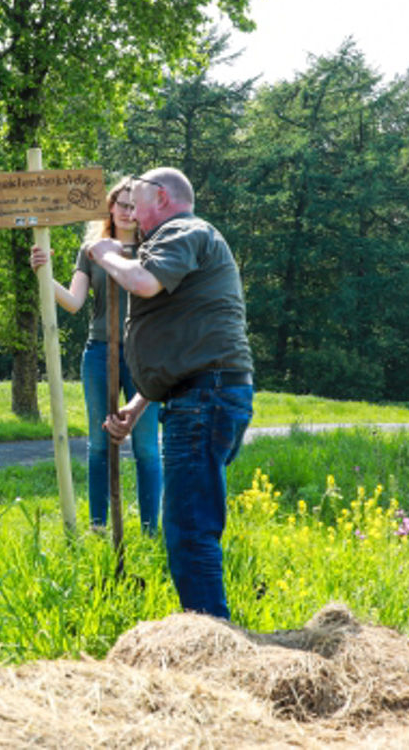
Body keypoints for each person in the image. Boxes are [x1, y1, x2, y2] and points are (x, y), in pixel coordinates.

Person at [87, 167, 254, 620]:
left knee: (188, 530)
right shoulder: (186, 237)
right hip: (204, 395)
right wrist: (141, 402)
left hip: (205, 400)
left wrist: (103, 253)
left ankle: (210, 644)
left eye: (136, 202)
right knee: (190, 523)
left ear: (160, 198)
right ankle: (210, 633)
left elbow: (142, 282)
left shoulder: (182, 229)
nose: (133, 217)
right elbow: (185, 340)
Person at [30, 177, 162, 533]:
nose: (129, 212)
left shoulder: (157, 248)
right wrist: (44, 273)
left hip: (145, 357)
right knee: (100, 443)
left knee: (147, 446)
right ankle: (98, 526)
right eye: (123, 204)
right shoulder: (91, 250)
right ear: (111, 206)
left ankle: (151, 530)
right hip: (100, 354)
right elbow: (73, 303)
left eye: (136, 206)